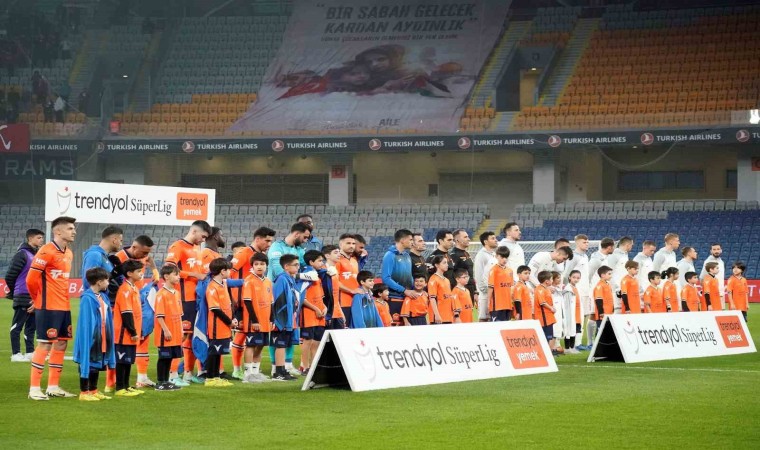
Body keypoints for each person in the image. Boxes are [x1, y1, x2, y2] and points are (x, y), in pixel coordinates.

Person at [26, 216, 76, 401]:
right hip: (48, 306)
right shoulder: (46, 251)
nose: (74, 231)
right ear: (58, 231)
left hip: (64, 305)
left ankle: (53, 386)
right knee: (45, 344)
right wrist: (37, 299)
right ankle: (34, 389)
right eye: (70, 228)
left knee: (62, 343)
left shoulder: (69, 253)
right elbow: (31, 280)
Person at [165, 220, 211, 386]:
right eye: (202, 236)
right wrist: (194, 275)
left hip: (196, 298)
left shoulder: (197, 249)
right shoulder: (177, 246)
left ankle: (188, 374)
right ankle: (172, 374)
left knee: (191, 335)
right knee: (181, 335)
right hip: (183, 299)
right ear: (194, 231)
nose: (202, 240)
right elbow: (168, 269)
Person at [108, 235, 156, 388]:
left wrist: (153, 266)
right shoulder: (118, 258)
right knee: (119, 345)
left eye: (147, 253)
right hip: (121, 307)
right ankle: (112, 382)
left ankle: (141, 378)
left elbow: (154, 279)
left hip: (139, 303)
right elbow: (110, 283)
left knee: (142, 341)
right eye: (143, 253)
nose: (145, 257)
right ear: (134, 248)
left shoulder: (143, 259)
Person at [229, 226, 275, 374]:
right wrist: (234, 298)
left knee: (252, 338)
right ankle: (238, 369)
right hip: (242, 302)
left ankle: (252, 369)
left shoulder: (260, 258)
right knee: (243, 335)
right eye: (267, 241)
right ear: (257, 239)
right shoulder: (244, 253)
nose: (269, 244)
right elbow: (229, 273)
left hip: (257, 303)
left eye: (271, 241)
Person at [72, 268, 115, 401]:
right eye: (106, 280)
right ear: (99, 282)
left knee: (97, 362)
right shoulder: (87, 298)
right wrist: (89, 337)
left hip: (102, 335)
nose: (108, 282)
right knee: (88, 362)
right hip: (91, 336)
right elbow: (86, 321)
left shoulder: (103, 296)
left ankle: (94, 390)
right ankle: (84, 392)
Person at [6, 228, 44, 362]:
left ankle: (29, 352)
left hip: (33, 296)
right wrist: (15, 291)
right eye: (39, 238)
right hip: (22, 294)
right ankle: (15, 354)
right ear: (30, 238)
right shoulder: (22, 254)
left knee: (31, 327)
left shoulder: (37, 255)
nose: (41, 240)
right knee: (17, 326)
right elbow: (10, 275)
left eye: (42, 238)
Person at [112, 260, 145, 397]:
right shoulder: (125, 289)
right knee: (122, 360)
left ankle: (126, 386)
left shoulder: (134, 287)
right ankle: (120, 387)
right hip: (123, 333)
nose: (141, 273)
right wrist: (132, 331)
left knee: (128, 360)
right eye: (138, 271)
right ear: (129, 273)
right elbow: (126, 313)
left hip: (132, 332)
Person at [241, 252, 274, 383]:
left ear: (266, 266)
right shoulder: (249, 280)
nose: (259, 266)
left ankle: (256, 372)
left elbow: (271, 302)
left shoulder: (267, 281)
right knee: (251, 345)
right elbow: (248, 302)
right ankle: (247, 374)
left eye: (262, 264)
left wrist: (271, 319)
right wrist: (254, 321)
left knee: (260, 346)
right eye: (256, 264)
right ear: (252, 266)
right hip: (253, 321)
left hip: (265, 321)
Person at [204, 258, 236, 387]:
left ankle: (216, 376)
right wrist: (229, 322)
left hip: (225, 326)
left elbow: (227, 305)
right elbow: (215, 309)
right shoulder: (212, 287)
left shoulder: (223, 284)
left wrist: (232, 318)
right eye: (229, 270)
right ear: (223, 271)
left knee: (218, 353)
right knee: (214, 352)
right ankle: (210, 378)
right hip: (217, 326)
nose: (230, 272)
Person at [154, 265, 183, 391]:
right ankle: (160, 382)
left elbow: (179, 314)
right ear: (166, 276)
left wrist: (181, 329)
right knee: (164, 357)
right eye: (175, 274)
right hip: (165, 332)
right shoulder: (161, 294)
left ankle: (166, 381)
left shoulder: (176, 293)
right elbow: (159, 315)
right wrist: (165, 330)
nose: (178, 277)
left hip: (175, 331)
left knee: (170, 357)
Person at [271, 254, 300, 381]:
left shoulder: (290, 279)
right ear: (286, 266)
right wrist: (279, 320)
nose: (298, 267)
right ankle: (278, 372)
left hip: (289, 319)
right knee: (280, 345)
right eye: (295, 265)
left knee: (285, 345)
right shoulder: (282, 279)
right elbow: (277, 300)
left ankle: (283, 370)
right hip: (281, 320)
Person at [299, 250, 327, 375]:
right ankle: (304, 367)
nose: (322, 263)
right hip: (309, 314)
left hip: (320, 314)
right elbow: (301, 297)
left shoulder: (316, 276)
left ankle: (314, 366)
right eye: (320, 261)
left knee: (317, 341)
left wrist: (324, 307)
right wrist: (315, 309)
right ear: (311, 262)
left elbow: (320, 296)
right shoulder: (307, 275)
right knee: (308, 340)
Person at [381, 229, 416, 326]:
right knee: (395, 327)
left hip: (407, 297)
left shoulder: (407, 256)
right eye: (410, 239)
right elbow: (386, 278)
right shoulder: (390, 255)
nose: (412, 242)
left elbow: (409, 276)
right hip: (394, 298)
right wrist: (404, 290)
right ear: (402, 240)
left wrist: (414, 289)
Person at [562, 234, 590, 349]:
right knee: (573, 317)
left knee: (582, 316)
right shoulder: (573, 256)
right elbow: (567, 273)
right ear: (577, 243)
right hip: (575, 291)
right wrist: (566, 287)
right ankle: (575, 343)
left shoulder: (585, 256)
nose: (587, 244)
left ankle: (578, 342)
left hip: (584, 290)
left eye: (587, 242)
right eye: (584, 242)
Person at [82, 226, 124, 298]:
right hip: (97, 303)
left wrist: (119, 271)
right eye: (121, 240)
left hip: (105, 302)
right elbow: (89, 281)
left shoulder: (106, 257)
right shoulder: (95, 255)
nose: (121, 244)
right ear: (114, 240)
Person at [320, 245, 346, 330]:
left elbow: (335, 294)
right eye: (336, 252)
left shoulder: (335, 270)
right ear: (327, 255)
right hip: (327, 312)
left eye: (339, 252)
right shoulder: (322, 271)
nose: (339, 255)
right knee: (326, 341)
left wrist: (341, 312)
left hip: (337, 312)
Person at [474, 231, 498, 321]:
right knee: (484, 318)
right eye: (493, 238)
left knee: (492, 317)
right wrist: (484, 290)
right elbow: (478, 274)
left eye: (495, 238)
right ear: (485, 242)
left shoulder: (494, 255)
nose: (496, 240)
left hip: (493, 292)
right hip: (485, 293)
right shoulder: (481, 255)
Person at [336, 233, 360, 324]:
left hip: (355, 300)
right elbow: (334, 281)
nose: (352, 246)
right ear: (340, 244)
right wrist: (350, 291)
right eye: (348, 243)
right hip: (342, 301)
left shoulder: (354, 260)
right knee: (343, 329)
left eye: (353, 244)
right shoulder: (337, 260)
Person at [427, 255, 459, 324]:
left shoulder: (447, 280)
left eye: (447, 263)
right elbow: (432, 299)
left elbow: (449, 298)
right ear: (437, 265)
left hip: (448, 316)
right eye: (444, 263)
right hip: (438, 317)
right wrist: (437, 315)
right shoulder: (433, 279)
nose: (447, 265)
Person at [534, 271, 558, 356]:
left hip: (548, 317)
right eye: (551, 279)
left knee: (549, 336)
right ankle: (543, 354)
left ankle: (546, 353)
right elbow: (542, 302)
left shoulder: (546, 289)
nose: (552, 280)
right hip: (543, 318)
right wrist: (551, 308)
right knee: (545, 337)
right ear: (547, 281)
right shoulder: (540, 289)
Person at [487, 246, 515, 321]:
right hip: (497, 305)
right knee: (496, 328)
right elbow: (490, 287)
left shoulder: (510, 271)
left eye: (506, 257)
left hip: (508, 305)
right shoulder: (494, 270)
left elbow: (511, 288)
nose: (504, 259)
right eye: (502, 257)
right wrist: (488, 302)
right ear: (496, 256)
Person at [607, 236, 633, 313]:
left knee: (623, 309)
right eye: (631, 245)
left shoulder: (625, 255)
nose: (632, 247)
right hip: (616, 288)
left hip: (623, 287)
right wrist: (616, 287)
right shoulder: (614, 255)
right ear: (627, 245)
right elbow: (609, 272)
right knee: (617, 309)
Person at [451, 229, 476, 302]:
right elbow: (452, 275)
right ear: (457, 240)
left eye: (468, 237)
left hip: (470, 289)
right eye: (465, 237)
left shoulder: (466, 253)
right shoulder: (454, 255)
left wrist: (475, 291)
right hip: (461, 291)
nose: (468, 239)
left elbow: (471, 275)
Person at [699, 244, 725, 310]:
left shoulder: (721, 262)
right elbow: (702, 278)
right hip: (712, 295)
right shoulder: (708, 262)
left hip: (720, 292)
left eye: (718, 249)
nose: (716, 251)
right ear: (711, 251)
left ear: (721, 250)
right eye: (714, 249)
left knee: (720, 314)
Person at [562, 270, 582, 354]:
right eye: (574, 277)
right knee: (568, 330)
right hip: (570, 313)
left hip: (576, 312)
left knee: (574, 330)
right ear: (569, 277)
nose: (576, 279)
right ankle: (567, 348)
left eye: (578, 278)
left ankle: (572, 347)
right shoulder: (568, 289)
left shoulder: (575, 288)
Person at [593, 266, 614, 335]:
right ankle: (596, 345)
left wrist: (612, 309)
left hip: (608, 313)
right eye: (609, 274)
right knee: (600, 333)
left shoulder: (608, 284)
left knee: (607, 332)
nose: (611, 276)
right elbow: (598, 300)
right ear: (602, 275)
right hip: (602, 314)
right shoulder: (599, 286)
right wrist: (601, 312)